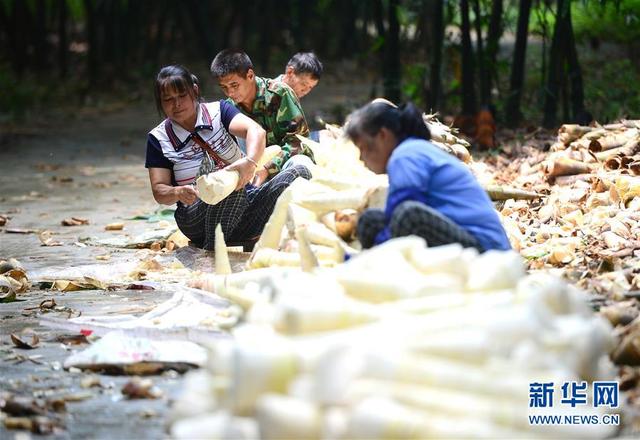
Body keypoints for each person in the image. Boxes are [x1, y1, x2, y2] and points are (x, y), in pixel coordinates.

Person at [145, 65, 310, 251]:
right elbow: (159, 190)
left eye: (182, 96)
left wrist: (250, 162)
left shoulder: (219, 111)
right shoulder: (159, 138)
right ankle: (212, 250)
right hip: (196, 217)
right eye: (168, 99)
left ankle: (246, 235)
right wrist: (177, 193)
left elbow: (255, 131)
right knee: (227, 189)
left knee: (300, 172)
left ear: (195, 91)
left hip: (245, 205)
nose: (177, 104)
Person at [345, 101, 511, 252]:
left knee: (408, 215)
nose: (361, 157)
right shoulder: (411, 151)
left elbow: (402, 216)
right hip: (464, 240)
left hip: (487, 251)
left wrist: (372, 256)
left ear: (383, 135)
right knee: (370, 220)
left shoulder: (405, 155)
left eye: (364, 148)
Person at [210, 49, 314, 187]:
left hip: (282, 166)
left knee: (301, 165)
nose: (230, 92)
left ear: (250, 75)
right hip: (250, 174)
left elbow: (299, 143)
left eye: (234, 85)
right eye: (224, 87)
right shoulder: (228, 108)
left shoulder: (279, 94)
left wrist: (267, 169)